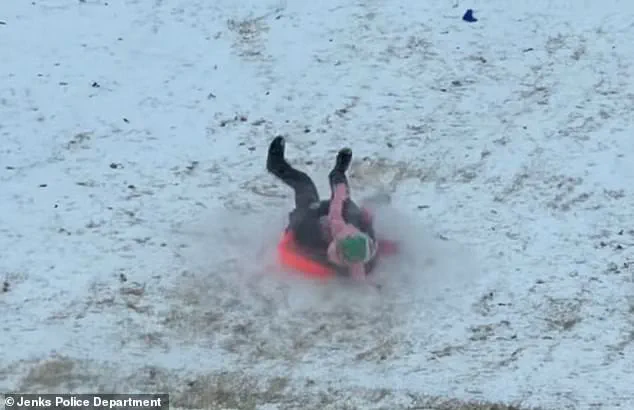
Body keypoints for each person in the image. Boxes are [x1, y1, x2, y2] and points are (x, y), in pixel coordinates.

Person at [266, 136, 378, 282]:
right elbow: (354, 216)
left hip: (309, 217)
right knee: (346, 202)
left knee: (305, 185)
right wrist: (366, 214)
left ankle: (275, 165)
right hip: (337, 214)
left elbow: (301, 225)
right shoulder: (362, 250)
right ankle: (338, 172)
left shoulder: (313, 240)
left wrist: (313, 213)